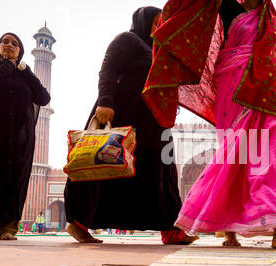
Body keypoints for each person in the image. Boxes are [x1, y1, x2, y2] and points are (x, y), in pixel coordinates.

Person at [143, 0, 276, 249]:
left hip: (265, 91)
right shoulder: (228, 7)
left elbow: (274, 61)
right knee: (237, 157)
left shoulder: (268, 17)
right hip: (233, 85)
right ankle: (230, 232)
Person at [64, 7, 198, 245]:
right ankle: (79, 223)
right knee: (104, 164)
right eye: (157, 21)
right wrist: (105, 102)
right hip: (124, 114)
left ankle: (170, 229)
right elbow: (108, 69)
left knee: (161, 172)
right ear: (144, 21)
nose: (160, 26)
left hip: (154, 120)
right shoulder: (129, 40)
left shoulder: (158, 50)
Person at [0, 33, 50, 241]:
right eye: (5, 42)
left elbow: (43, 97)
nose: (9, 45)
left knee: (15, 180)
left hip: (20, 139)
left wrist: (25, 71)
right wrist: (8, 65)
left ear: (21, 50)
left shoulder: (25, 74)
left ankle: (7, 227)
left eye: (14, 43)